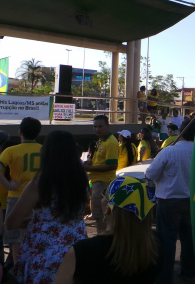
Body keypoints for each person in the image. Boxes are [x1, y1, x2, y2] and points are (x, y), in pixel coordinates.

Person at [8, 130, 89, 284]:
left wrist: (34, 220)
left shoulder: (40, 183)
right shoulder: (83, 179)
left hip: (45, 246)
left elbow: (11, 223)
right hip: (77, 243)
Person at [54, 177, 160, 284]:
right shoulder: (156, 247)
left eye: (104, 195)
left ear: (108, 208)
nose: (101, 198)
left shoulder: (82, 251)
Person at [145, 121, 195, 284]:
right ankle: (189, 272)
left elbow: (151, 174)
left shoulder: (168, 152)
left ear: (180, 132)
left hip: (169, 202)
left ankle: (165, 277)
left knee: (166, 241)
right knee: (189, 239)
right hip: (192, 202)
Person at [0, 117, 42, 262]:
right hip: (40, 197)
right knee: (38, 234)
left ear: (20, 132)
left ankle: (18, 270)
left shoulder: (11, 150)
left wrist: (8, 185)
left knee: (16, 237)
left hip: (17, 196)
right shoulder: (44, 150)